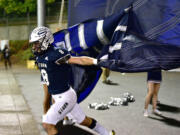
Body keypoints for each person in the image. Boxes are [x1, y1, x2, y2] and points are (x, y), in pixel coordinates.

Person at [29, 26, 114, 135]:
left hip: (66, 96)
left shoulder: (56, 54)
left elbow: (80, 60)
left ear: (45, 41)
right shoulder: (39, 57)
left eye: (37, 43)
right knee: (83, 121)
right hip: (60, 96)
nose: (34, 46)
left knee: (47, 125)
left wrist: (97, 62)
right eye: (33, 43)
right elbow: (49, 80)